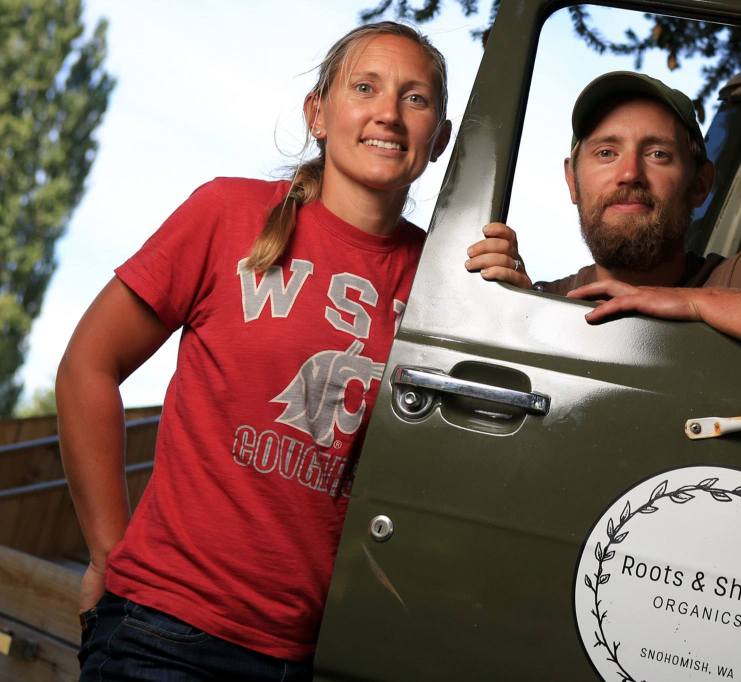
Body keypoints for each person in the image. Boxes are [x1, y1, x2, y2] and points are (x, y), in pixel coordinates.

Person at [56, 22, 451, 681]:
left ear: (439, 138)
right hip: (163, 634)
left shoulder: (444, 283)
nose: (388, 111)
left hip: (321, 657)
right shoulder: (226, 213)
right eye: (365, 87)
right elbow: (86, 366)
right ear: (318, 114)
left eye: (415, 98)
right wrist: (105, 552)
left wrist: (505, 287)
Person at [465, 71, 741, 383]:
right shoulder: (546, 301)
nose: (629, 174)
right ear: (573, 181)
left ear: (700, 185)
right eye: (607, 152)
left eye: (658, 155)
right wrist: (512, 313)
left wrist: (693, 303)